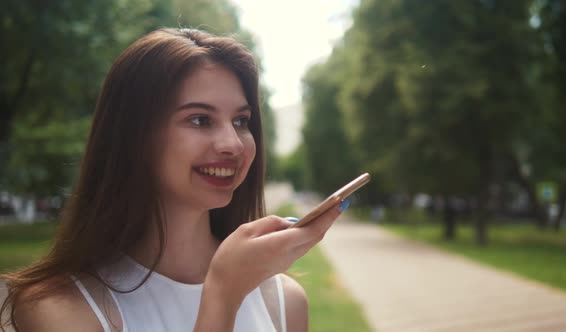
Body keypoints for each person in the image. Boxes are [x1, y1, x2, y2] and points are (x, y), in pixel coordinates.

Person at [0, 28, 348, 332]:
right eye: (199, 120)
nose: (232, 144)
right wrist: (223, 297)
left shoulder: (283, 304)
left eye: (241, 121)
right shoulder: (61, 308)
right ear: (135, 137)